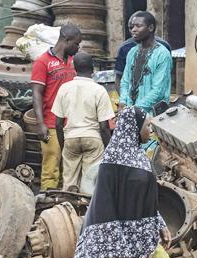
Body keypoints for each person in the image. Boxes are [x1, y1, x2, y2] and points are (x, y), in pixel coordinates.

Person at [65, 107, 197, 258]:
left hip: (145, 239)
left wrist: (160, 225)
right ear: (132, 128)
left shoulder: (139, 156)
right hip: (118, 239)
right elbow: (104, 203)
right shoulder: (111, 162)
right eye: (147, 125)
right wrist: (116, 245)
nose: (150, 130)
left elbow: (146, 197)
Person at [53, 52, 114, 192]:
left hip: (71, 138)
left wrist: (64, 146)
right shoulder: (99, 90)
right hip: (92, 139)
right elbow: (104, 127)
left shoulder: (64, 88)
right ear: (93, 69)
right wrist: (110, 149)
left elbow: (58, 123)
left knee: (69, 182)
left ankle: (68, 209)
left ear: (74, 68)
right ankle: (86, 211)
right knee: (89, 182)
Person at [31, 24, 82, 191]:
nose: (78, 47)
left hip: (73, 123)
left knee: (70, 167)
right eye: (76, 43)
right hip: (51, 123)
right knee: (51, 165)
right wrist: (40, 123)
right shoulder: (42, 62)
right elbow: (37, 93)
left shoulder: (75, 62)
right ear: (66, 40)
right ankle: (48, 204)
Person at [119, 11, 172, 114]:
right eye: (132, 26)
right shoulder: (132, 52)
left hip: (152, 115)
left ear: (151, 28)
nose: (133, 30)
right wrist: (123, 102)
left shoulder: (162, 54)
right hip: (130, 114)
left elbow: (158, 91)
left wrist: (133, 110)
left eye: (138, 26)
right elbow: (125, 81)